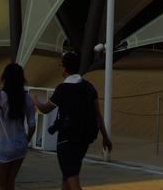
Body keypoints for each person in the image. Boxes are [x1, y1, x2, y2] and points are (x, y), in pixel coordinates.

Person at [33, 51, 112, 190]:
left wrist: (35, 100)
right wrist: (105, 137)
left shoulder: (63, 89)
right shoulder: (89, 87)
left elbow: (45, 109)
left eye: (60, 65)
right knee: (68, 174)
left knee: (71, 175)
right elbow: (98, 114)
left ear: (64, 68)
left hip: (67, 139)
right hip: (84, 138)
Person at [0, 62, 36, 190]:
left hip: (2, 146)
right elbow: (32, 125)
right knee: (10, 183)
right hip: (20, 145)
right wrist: (26, 140)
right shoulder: (27, 98)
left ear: (5, 78)